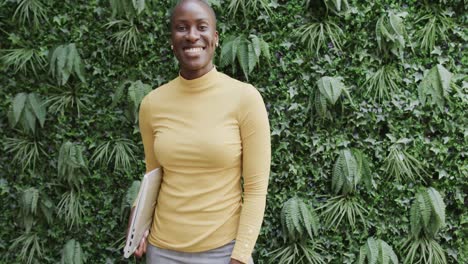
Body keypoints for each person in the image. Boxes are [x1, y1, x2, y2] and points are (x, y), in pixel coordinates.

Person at [128, 0, 271, 263]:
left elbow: (255, 189)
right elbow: (152, 175)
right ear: (172, 40)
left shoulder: (245, 99)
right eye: (182, 28)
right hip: (162, 251)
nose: (192, 35)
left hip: (222, 252)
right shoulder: (152, 104)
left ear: (215, 38)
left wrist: (240, 256)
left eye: (201, 27)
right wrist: (138, 223)